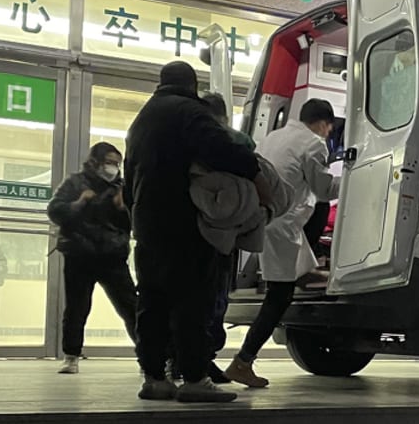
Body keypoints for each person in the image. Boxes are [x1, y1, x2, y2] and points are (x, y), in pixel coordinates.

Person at [124, 61, 268, 403]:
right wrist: (258, 178)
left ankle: (155, 378)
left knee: (153, 302)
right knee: (192, 301)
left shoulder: (140, 121)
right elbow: (223, 148)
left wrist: (136, 216)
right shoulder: (189, 111)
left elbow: (129, 182)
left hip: (147, 224)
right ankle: (194, 378)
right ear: (191, 85)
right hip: (183, 222)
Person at [226, 98, 342, 388]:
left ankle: (308, 274)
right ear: (323, 124)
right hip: (284, 224)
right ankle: (242, 361)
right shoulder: (314, 144)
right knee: (279, 298)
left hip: (266, 219)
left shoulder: (272, 137)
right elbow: (324, 190)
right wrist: (356, 177)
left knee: (294, 276)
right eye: (329, 128)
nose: (328, 134)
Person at [47, 141, 139, 374]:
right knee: (77, 307)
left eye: (117, 164)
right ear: (95, 162)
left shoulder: (122, 188)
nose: (113, 168)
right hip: (80, 254)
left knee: (131, 306)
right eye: (109, 162)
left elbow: (135, 222)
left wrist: (123, 209)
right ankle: (71, 356)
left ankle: (148, 355)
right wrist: (79, 203)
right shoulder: (76, 183)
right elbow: (55, 210)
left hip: (113, 255)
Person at [193, 92, 259, 384]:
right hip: (228, 231)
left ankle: (190, 358)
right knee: (217, 298)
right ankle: (203, 358)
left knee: (193, 297)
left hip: (195, 228)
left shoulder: (189, 142)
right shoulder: (238, 141)